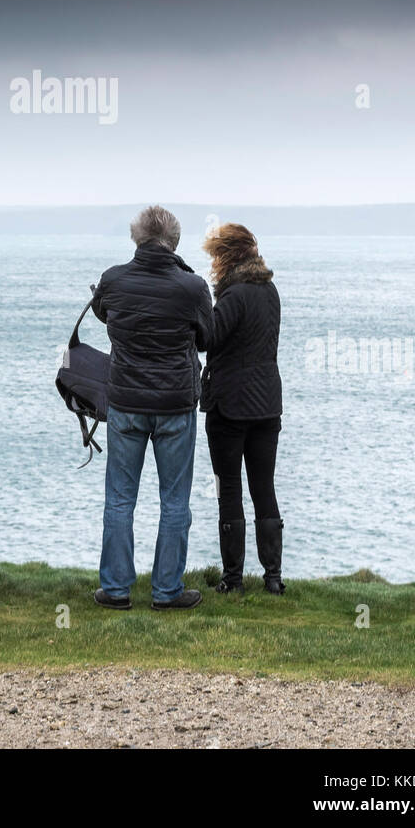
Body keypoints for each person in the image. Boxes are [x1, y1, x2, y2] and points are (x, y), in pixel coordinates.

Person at [90, 206, 214, 610]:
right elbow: (206, 339)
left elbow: (103, 313)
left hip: (125, 402)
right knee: (175, 501)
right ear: (174, 242)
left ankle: (115, 589)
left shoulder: (113, 279)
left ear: (136, 239)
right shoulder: (192, 286)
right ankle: (166, 592)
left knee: (120, 499)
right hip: (175, 405)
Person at [201, 224, 285, 594]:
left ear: (228, 256)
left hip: (230, 406)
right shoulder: (270, 292)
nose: (214, 264)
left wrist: (197, 309)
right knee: (264, 488)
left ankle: (232, 580)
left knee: (230, 490)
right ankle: (273, 579)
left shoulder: (233, 296)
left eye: (216, 256)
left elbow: (208, 338)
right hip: (267, 406)